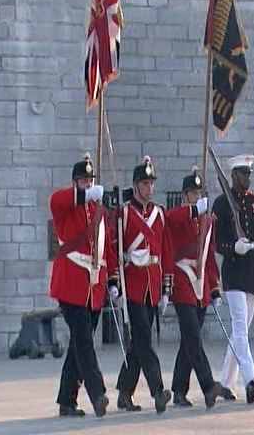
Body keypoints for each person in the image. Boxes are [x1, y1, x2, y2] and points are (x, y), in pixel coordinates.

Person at [49, 153, 111, 418]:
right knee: (84, 342)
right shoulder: (67, 203)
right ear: (75, 182)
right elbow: (56, 200)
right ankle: (97, 393)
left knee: (78, 346)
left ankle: (66, 400)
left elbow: (104, 247)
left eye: (90, 180)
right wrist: (83, 194)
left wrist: (111, 282)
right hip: (71, 284)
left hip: (93, 287)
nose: (88, 183)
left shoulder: (98, 212)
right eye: (83, 180)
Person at [113, 155, 173, 414]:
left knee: (138, 342)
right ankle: (158, 390)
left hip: (152, 285)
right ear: (135, 186)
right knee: (144, 341)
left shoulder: (159, 213)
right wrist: (115, 281)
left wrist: (166, 287)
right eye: (145, 184)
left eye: (151, 183)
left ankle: (125, 393)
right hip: (133, 285)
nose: (150, 188)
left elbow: (166, 252)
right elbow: (115, 250)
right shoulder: (123, 214)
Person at [166, 166, 226, 409]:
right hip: (182, 282)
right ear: (185, 195)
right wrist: (193, 210)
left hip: (200, 283)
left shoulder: (205, 221)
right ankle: (208, 384)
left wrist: (214, 286)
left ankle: (179, 390)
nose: (197, 197)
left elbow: (209, 256)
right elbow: (171, 220)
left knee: (188, 342)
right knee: (193, 336)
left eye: (200, 193)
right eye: (193, 193)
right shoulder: (180, 215)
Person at [212, 154, 254, 404]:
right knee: (239, 327)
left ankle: (224, 382)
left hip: (252, 274)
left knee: (240, 331)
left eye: (249, 174)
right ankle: (250, 378)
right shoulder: (222, 204)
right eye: (243, 174)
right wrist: (233, 247)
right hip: (234, 274)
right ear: (233, 176)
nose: (247, 178)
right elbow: (214, 242)